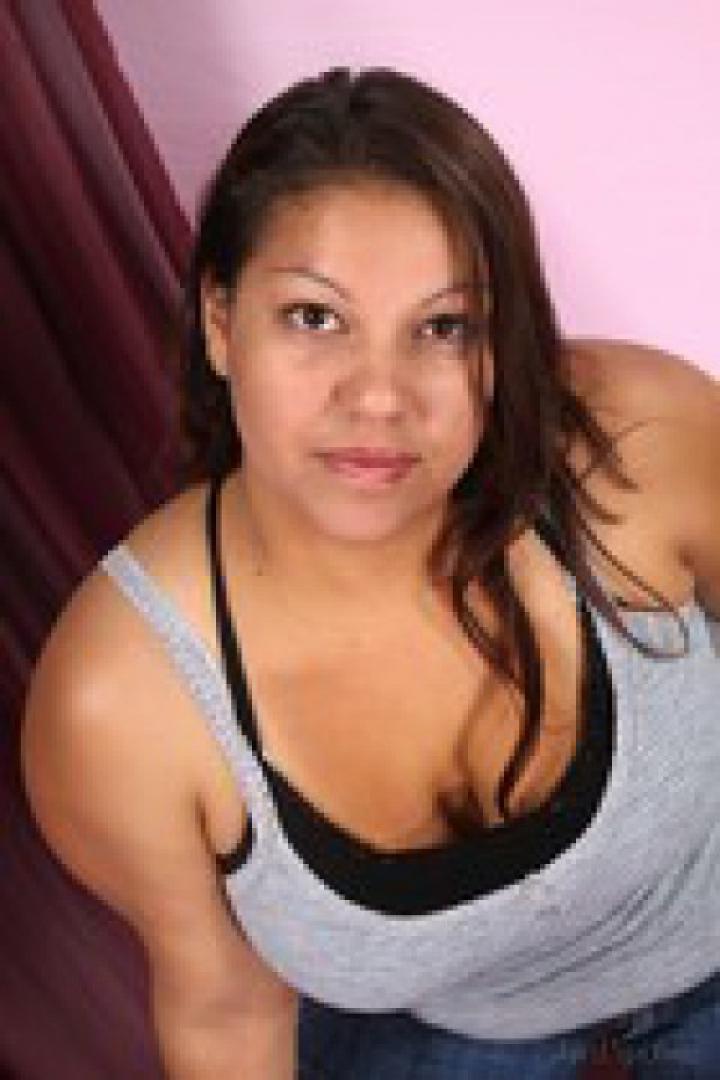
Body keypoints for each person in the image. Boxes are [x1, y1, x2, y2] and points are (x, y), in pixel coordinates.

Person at [20, 67, 720, 1079]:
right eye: (314, 317)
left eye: (444, 327)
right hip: (457, 1028)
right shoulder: (120, 703)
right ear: (219, 322)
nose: (380, 398)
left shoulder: (639, 437)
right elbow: (226, 1012)